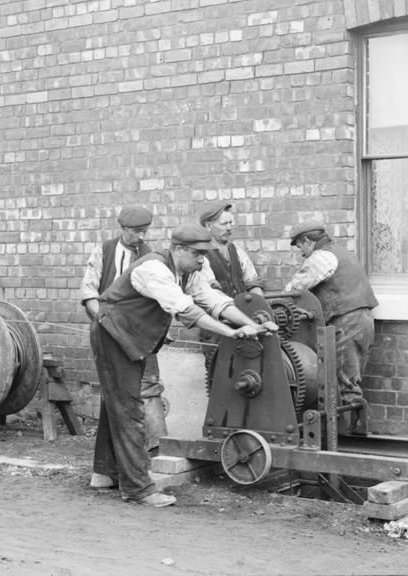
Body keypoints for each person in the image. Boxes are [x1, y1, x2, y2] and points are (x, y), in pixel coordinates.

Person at [90, 222, 278, 507]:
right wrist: (230, 332)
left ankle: (105, 473)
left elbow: (213, 300)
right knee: (128, 409)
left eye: (205, 254)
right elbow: (185, 310)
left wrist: (251, 323)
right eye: (197, 254)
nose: (202, 260)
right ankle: (138, 488)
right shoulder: (154, 269)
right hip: (113, 334)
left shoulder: (188, 271)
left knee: (116, 403)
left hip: (130, 336)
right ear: (178, 249)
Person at [81, 206, 168, 488]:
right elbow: (89, 292)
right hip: (108, 334)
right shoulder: (103, 252)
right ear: (122, 229)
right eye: (135, 232)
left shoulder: (150, 256)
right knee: (115, 398)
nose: (140, 237)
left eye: (144, 232)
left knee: (143, 394)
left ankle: (145, 463)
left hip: (140, 337)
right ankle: (108, 471)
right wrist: (105, 321)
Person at [285, 221, 378, 406]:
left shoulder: (321, 257)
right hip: (364, 320)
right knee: (351, 381)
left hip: (347, 322)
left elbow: (293, 291)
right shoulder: (340, 252)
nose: (301, 252)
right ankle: (351, 429)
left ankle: (346, 433)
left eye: (299, 246)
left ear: (307, 240)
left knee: (345, 386)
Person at [198, 203, 264, 298]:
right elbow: (210, 293)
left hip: (243, 308)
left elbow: (252, 282)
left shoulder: (237, 251)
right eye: (224, 224)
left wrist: (260, 302)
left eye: (230, 223)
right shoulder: (201, 256)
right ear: (208, 226)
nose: (229, 228)